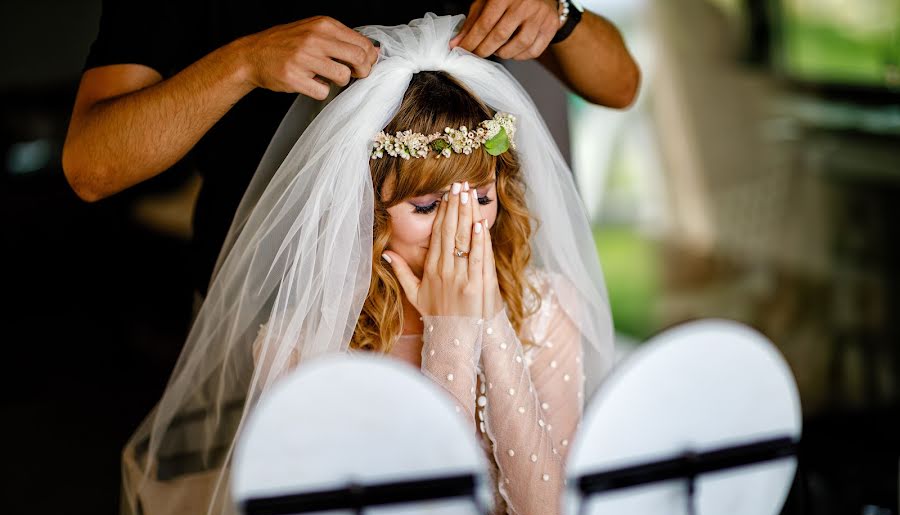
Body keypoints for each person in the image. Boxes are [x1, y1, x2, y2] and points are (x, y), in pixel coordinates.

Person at [120, 13, 615, 515]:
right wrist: (453, 333)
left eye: (481, 196)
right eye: (427, 207)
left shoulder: (544, 306)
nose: (465, 227)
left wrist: (490, 324)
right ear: (370, 214)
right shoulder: (301, 344)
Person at [62, 1, 639, 298]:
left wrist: (560, 13)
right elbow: (91, 165)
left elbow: (621, 85)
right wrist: (241, 64)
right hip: (278, 305)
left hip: (476, 290)